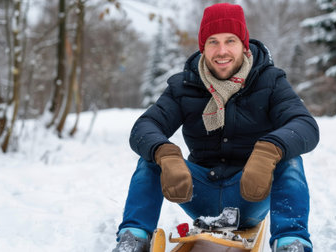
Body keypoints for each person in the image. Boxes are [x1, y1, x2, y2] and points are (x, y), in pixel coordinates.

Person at [113, 3, 319, 252]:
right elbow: (144, 127)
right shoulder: (183, 86)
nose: (222, 51)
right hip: (199, 194)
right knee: (151, 158)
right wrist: (165, 153)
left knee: (290, 158)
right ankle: (133, 239)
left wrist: (269, 150)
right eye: (213, 42)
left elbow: (305, 125)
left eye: (230, 40)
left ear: (244, 44)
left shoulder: (270, 81)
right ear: (203, 47)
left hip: (250, 192)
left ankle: (291, 242)